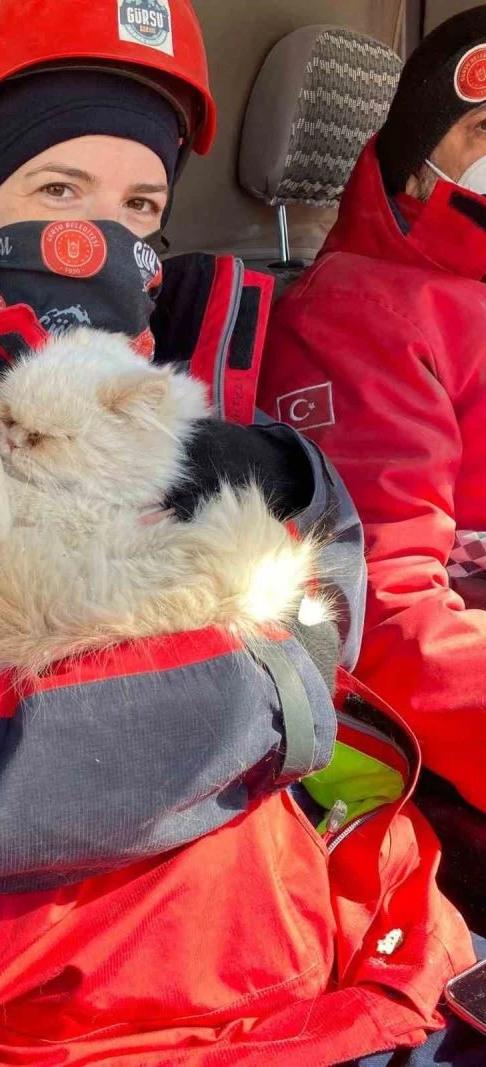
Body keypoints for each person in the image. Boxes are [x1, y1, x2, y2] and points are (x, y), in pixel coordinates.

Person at [0, 1, 477, 1063]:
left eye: (140, 203)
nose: (95, 239)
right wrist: (256, 693)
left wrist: (293, 481)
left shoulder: (188, 339)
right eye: (57, 188)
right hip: (96, 1019)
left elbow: (338, 600)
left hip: (337, 937)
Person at [258, 8, 486, 823]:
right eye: (485, 130)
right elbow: (388, 620)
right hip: (444, 769)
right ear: (419, 165)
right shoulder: (361, 316)